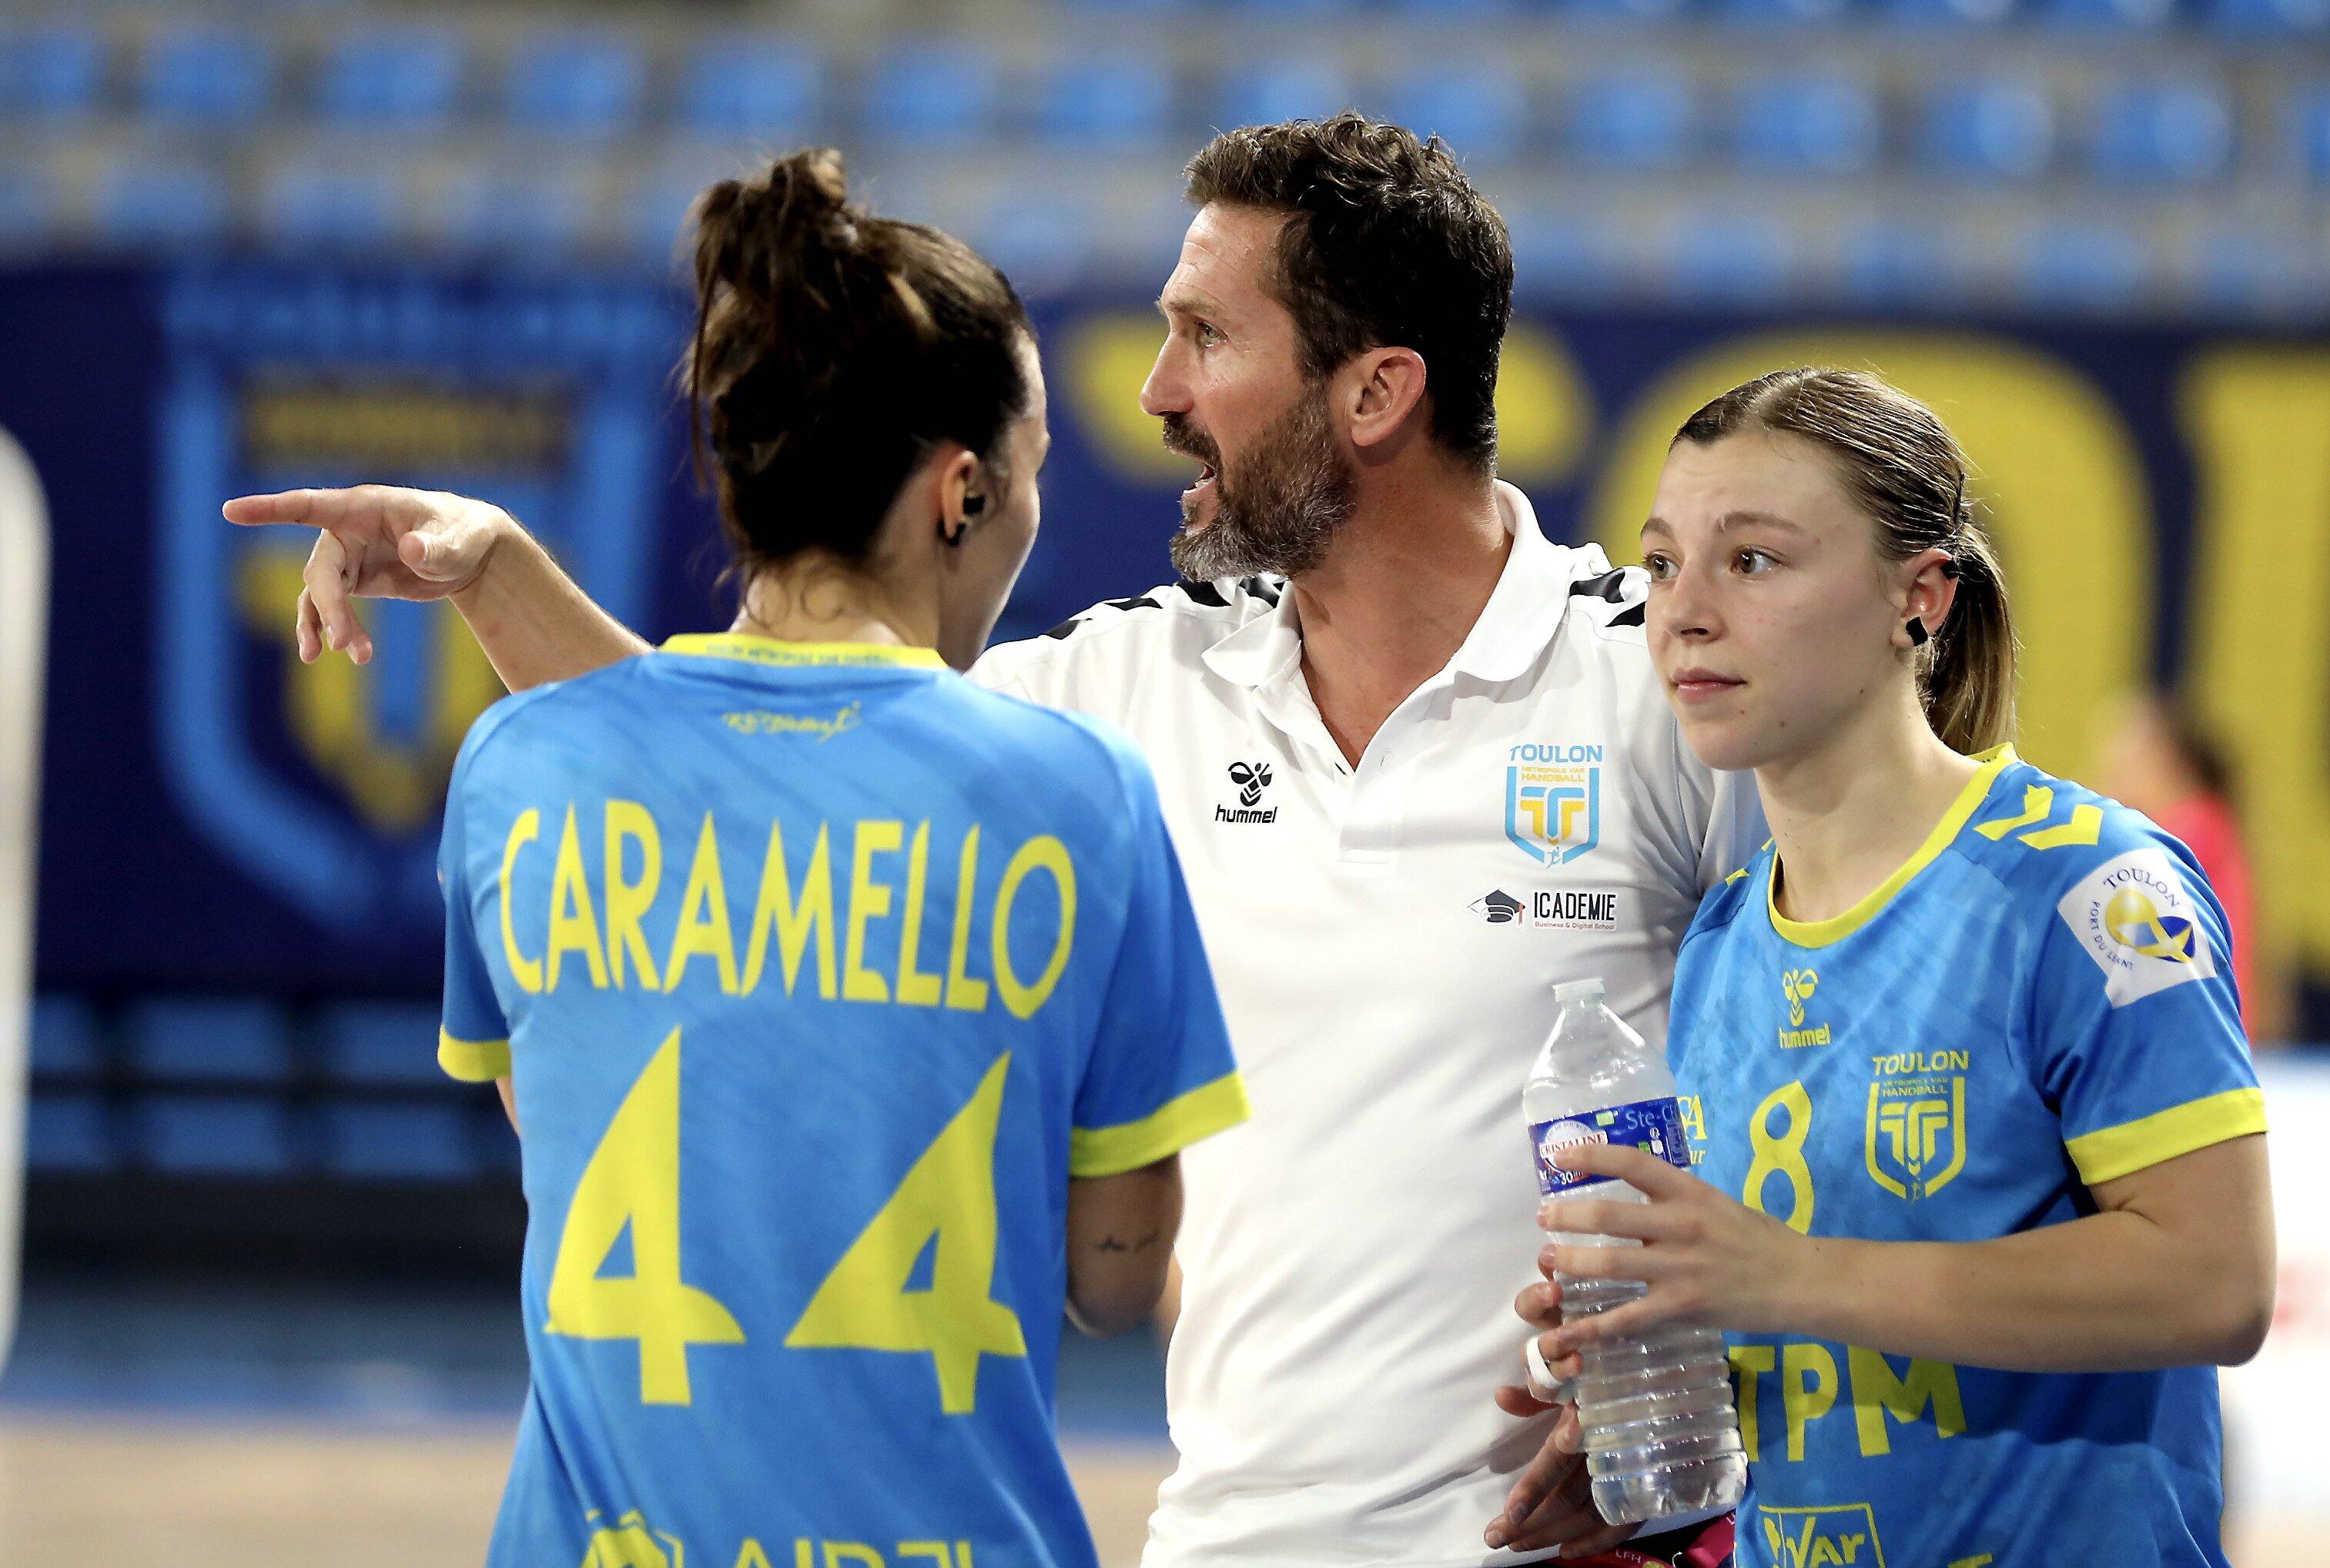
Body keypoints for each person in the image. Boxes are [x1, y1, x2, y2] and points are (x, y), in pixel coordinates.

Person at [237, 116, 1757, 1566]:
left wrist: (1715, 1374)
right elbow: (739, 764)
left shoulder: (1654, 678)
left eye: (1206, 336)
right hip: (1223, 1540)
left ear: (1374, 395)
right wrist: (498, 574)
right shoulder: (1120, 696)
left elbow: (1861, 1041)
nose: (1154, 389)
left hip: (1593, 1542)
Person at [232, 149, 1249, 1568]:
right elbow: (1113, 1275)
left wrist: (506, 571)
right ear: (960, 492)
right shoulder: (1080, 795)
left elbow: (574, 1116)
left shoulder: (517, 771)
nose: (1029, 510)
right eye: (1030, 472)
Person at [1496, 368, 2275, 1566]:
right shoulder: (1722, 940)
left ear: (1918, 597)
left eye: (1750, 559)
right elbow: (1802, 1331)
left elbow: (2213, 1282)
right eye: (1661, 562)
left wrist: (1780, 1276)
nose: (1681, 611)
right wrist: (1658, 1388)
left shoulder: (2090, 888)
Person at [2094, 690, 2287, 1045]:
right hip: (2209, 1033)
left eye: (2125, 759)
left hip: (2201, 1037)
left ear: (2164, 762)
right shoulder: (2205, 825)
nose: (2108, 772)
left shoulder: (2193, 828)